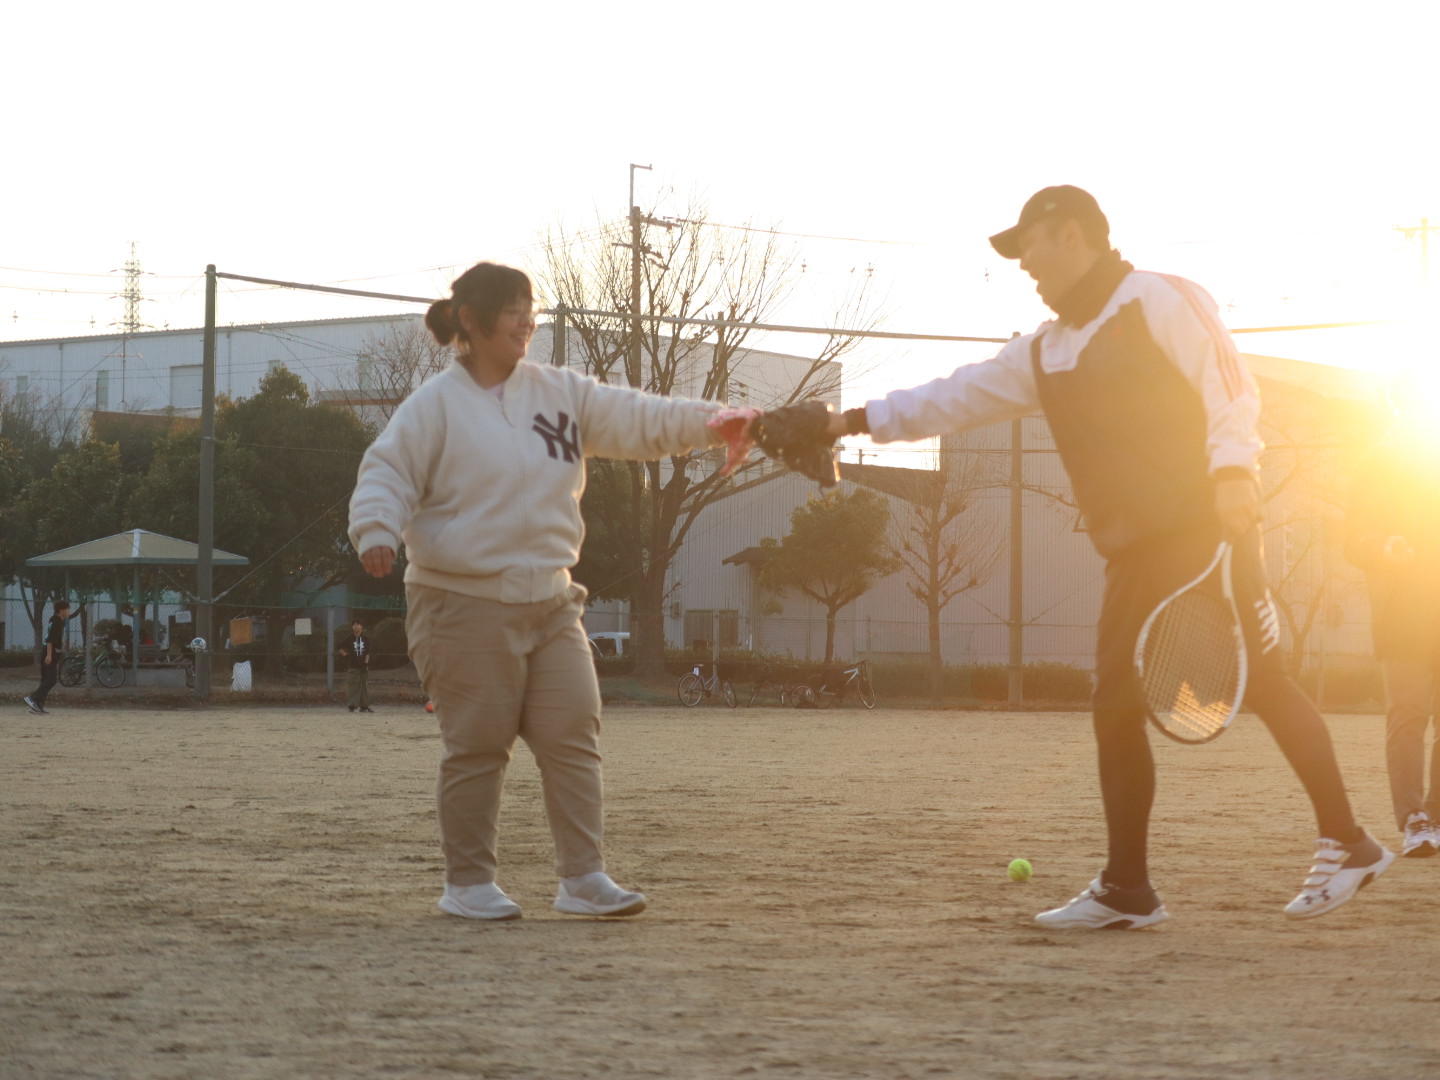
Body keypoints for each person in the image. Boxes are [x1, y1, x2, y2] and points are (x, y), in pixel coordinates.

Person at [767, 186, 1393, 928]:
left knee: (1252, 683)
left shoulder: (1158, 298)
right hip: (1133, 551)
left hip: (1207, 531)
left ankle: (1331, 846)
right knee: (1132, 704)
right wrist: (840, 423)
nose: (1023, 264)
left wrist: (1233, 474)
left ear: (1072, 235)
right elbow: (949, 397)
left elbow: (1229, 385)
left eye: (1028, 245)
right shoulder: (1045, 351)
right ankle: (1143, 886)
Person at [349, 261, 726, 921]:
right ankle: (468, 885)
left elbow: (641, 418)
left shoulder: (560, 392)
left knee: (573, 731)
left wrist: (719, 421)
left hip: (552, 601)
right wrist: (376, 526)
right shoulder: (435, 405)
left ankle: (583, 879)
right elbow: (387, 470)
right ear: (471, 320)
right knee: (478, 744)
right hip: (460, 602)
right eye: (513, 308)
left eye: (531, 307)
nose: (527, 320)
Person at [1344, 370, 1440, 857]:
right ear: (1399, 407)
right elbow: (1352, 539)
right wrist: (1383, 547)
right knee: (1408, 716)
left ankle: (1437, 816)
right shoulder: (1375, 467)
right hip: (1404, 613)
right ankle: (1415, 819)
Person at [24, 598, 81, 715]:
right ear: (61, 610)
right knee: (51, 680)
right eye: (67, 609)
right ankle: (32, 698)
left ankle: (38, 706)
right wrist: (49, 656)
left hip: (51, 654)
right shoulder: (56, 623)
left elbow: (53, 637)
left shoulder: (56, 620)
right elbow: (50, 640)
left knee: (46, 680)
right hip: (49, 655)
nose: (69, 611)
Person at [338, 619, 373, 713]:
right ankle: (352, 706)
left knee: (364, 686)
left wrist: (366, 664)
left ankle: (364, 706)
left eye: (358, 624)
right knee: (353, 685)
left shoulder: (366, 639)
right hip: (353, 666)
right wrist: (346, 655)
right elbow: (339, 647)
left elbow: (368, 652)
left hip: (363, 666)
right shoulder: (349, 638)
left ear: (361, 626)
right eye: (354, 625)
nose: (355, 626)